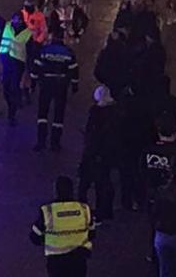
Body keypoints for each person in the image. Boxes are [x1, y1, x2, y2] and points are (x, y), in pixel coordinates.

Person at [30, 176, 94, 277]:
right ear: (72, 191)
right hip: (79, 260)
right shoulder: (84, 209)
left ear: (56, 191)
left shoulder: (48, 211)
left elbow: (34, 237)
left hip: (56, 263)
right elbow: (92, 234)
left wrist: (47, 239)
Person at [29, 26, 79, 151]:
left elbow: (36, 67)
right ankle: (55, 143)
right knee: (59, 114)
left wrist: (33, 83)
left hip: (46, 84)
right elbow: (74, 70)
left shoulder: (45, 51)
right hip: (61, 85)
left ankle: (41, 142)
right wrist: (74, 86)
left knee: (42, 114)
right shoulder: (68, 52)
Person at [78, 85, 120, 224]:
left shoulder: (96, 113)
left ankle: (84, 210)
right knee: (104, 182)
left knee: (86, 182)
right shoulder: (116, 113)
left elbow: (92, 133)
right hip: (108, 153)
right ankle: (105, 210)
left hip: (94, 152)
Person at [0, 10, 33, 126]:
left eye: (18, 19)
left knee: (14, 88)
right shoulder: (6, 26)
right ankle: (13, 104)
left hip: (18, 63)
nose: (15, 21)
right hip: (6, 61)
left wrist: (31, 68)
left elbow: (31, 51)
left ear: (22, 21)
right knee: (6, 88)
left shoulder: (27, 33)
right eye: (14, 19)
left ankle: (12, 113)